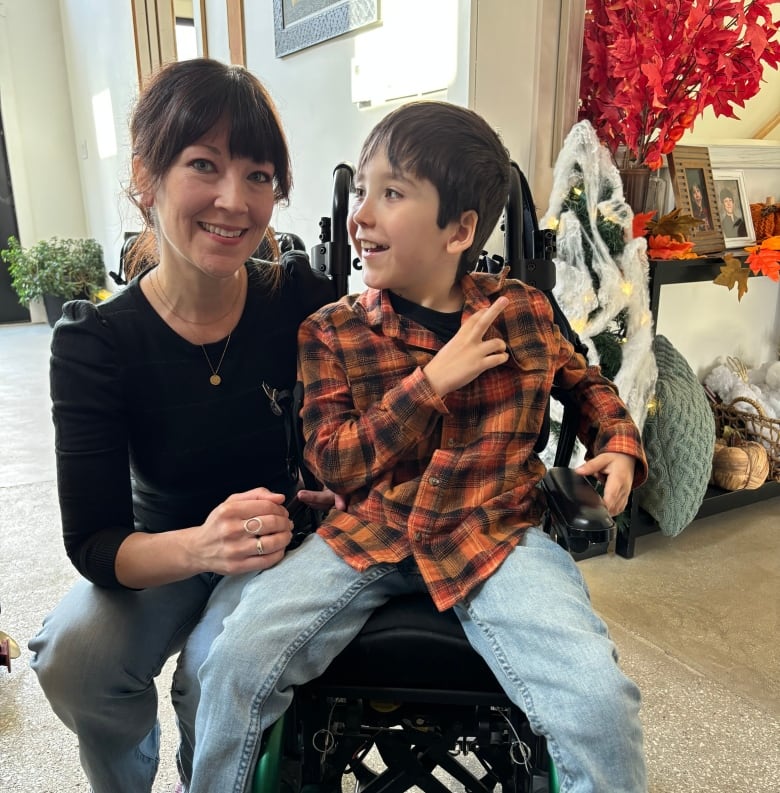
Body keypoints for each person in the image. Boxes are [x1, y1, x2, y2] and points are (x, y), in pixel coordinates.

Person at [191, 100, 649, 793]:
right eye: (362, 190)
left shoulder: (520, 310)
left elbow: (585, 384)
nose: (362, 214)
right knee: (233, 665)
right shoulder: (332, 331)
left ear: (460, 228)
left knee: (600, 705)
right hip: (367, 532)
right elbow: (334, 459)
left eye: (392, 193)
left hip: (495, 534)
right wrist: (431, 382)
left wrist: (616, 439)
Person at [27, 57, 335, 793]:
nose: (235, 201)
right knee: (73, 658)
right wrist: (202, 544)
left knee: (214, 672)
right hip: (162, 542)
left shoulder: (296, 293)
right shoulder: (95, 341)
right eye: (205, 165)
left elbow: (361, 405)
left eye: (259, 175)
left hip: (278, 543)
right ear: (147, 176)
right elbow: (95, 542)